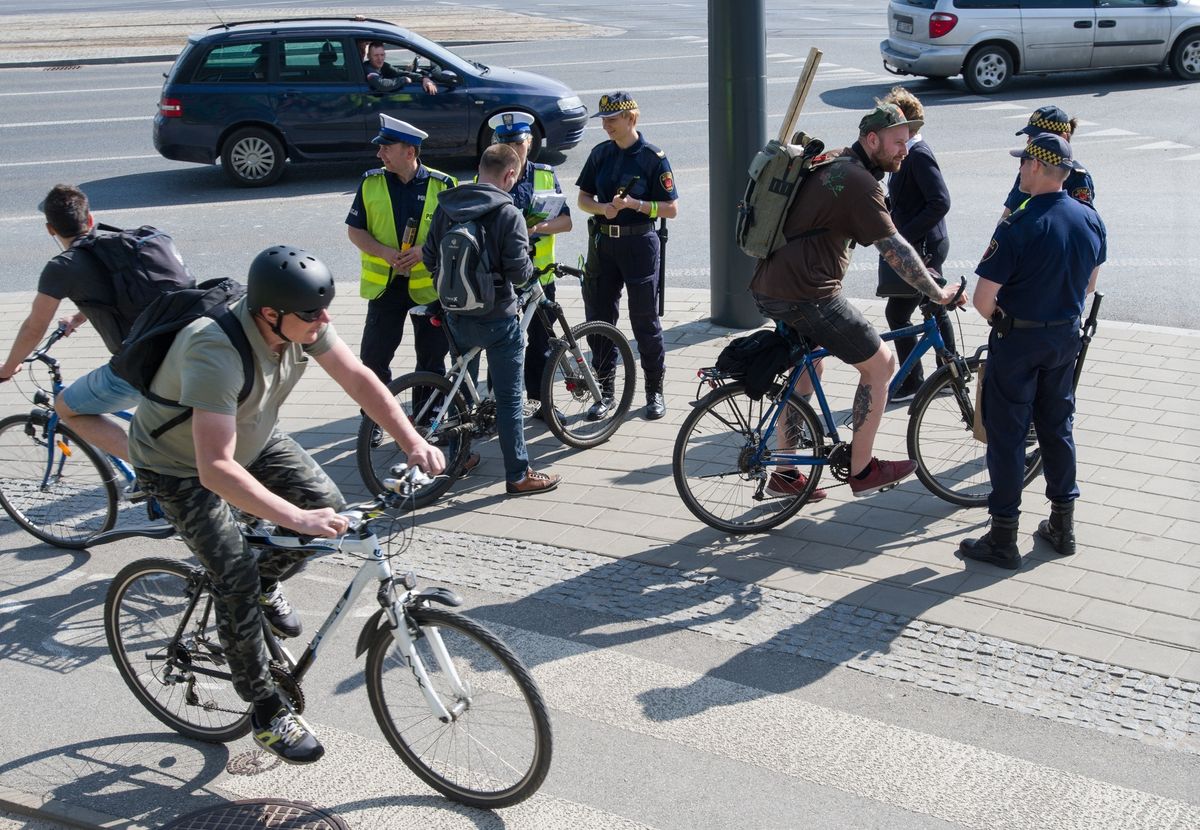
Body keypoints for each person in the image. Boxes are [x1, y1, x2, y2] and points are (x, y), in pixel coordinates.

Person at [129, 245, 445, 765]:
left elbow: (360, 379)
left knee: (328, 506)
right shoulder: (214, 350)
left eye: (325, 309)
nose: (324, 321)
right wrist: (295, 518)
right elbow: (215, 468)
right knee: (234, 571)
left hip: (254, 438)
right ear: (269, 314)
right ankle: (264, 708)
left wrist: (411, 439)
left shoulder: (302, 325)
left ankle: (265, 583)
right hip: (179, 466)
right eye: (311, 313)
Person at [749, 102, 964, 498]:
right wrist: (936, 292)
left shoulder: (834, 160)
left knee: (807, 368)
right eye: (898, 141)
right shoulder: (860, 183)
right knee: (881, 364)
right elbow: (894, 247)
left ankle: (784, 472)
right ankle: (862, 470)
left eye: (908, 141)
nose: (905, 148)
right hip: (808, 294)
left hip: (771, 284)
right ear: (872, 139)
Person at [960, 135, 1106, 571]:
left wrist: (1007, 317)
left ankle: (1003, 536)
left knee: (1007, 436)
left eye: (1024, 162)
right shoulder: (1089, 219)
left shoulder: (1019, 224)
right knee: (1057, 427)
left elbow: (984, 300)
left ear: (1040, 167)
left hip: (1019, 341)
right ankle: (1063, 525)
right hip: (1065, 338)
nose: (1019, 169)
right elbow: (1089, 286)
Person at [422, 144, 561, 496]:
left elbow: (428, 257)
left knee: (462, 391)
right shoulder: (508, 213)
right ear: (510, 175)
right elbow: (518, 272)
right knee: (510, 399)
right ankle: (518, 474)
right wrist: (528, 266)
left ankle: (460, 458)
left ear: (480, 168)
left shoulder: (447, 205)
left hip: (456, 314)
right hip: (497, 319)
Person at [0, 185, 150, 469]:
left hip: (141, 368)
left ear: (50, 229)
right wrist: (78, 317)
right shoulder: (121, 244)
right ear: (90, 219)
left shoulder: (63, 266)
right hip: (184, 347)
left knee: (67, 408)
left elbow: (34, 327)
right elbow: (121, 294)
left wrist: (8, 369)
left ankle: (153, 469)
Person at [576, 91, 678, 420]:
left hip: (639, 243)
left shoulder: (652, 157)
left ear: (631, 118)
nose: (605, 125)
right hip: (604, 244)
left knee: (644, 321)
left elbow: (671, 208)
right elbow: (583, 199)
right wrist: (602, 208)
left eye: (611, 120)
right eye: (603, 120)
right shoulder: (600, 154)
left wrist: (635, 205)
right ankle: (604, 391)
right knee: (600, 320)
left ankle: (654, 390)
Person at [346, 115, 455, 391]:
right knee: (373, 358)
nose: (379, 153)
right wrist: (384, 252)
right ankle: (374, 422)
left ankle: (426, 420)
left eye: (386, 148)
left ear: (409, 152)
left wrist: (424, 251)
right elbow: (355, 231)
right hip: (386, 287)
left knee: (431, 360)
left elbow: (458, 236)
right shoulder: (371, 183)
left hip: (429, 289)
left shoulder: (443, 185)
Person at [485, 111, 573, 422]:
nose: (513, 149)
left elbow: (566, 221)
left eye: (518, 142)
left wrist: (537, 228)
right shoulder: (490, 175)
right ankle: (496, 405)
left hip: (538, 276)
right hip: (503, 276)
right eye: (506, 142)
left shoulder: (545, 175)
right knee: (502, 341)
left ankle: (540, 403)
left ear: (530, 143)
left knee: (541, 344)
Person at [875, 87, 956, 404]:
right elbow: (912, 198)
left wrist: (903, 234)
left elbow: (940, 201)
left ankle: (914, 381)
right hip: (923, 242)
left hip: (925, 246)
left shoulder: (918, 155)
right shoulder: (908, 154)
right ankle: (948, 372)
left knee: (898, 312)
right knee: (932, 308)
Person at [998, 105, 1095, 222]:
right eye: (1029, 136)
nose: (1029, 141)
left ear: (1062, 137)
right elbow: (1006, 215)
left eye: (1036, 136)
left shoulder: (1077, 177)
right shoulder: (1029, 170)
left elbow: (1082, 221)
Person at [362, 41, 437, 95]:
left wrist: (424, 78)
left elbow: (399, 72)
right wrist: (403, 79)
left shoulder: (383, 66)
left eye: (382, 55)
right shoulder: (368, 69)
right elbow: (382, 85)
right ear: (368, 56)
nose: (380, 58)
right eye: (376, 55)